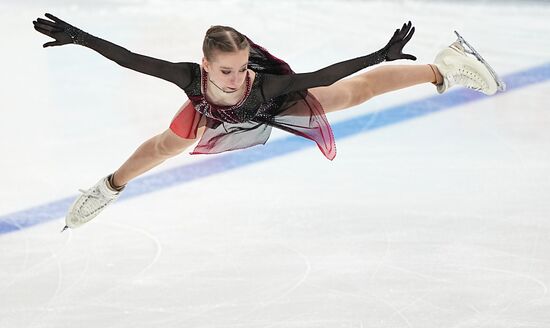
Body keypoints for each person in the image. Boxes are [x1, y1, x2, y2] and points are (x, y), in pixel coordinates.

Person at [32, 13, 501, 231]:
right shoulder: (188, 77)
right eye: (225, 70)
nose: (236, 77)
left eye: (241, 67)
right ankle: (108, 188)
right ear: (205, 65)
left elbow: (321, 75)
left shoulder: (262, 85)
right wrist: (80, 37)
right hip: (206, 111)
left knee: (350, 93)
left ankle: (444, 66)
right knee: (164, 147)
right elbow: (131, 59)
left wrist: (378, 54)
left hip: (268, 109)